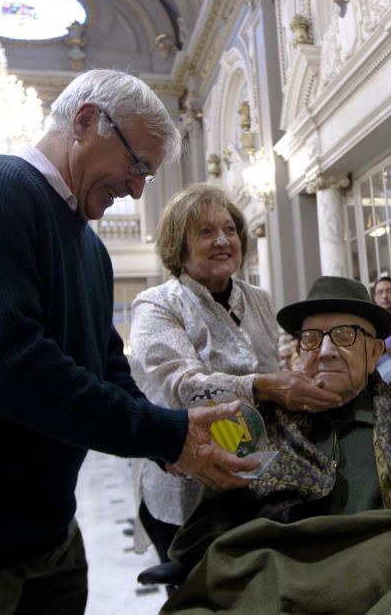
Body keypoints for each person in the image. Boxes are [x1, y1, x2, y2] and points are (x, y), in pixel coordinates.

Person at [0, 69, 256, 615]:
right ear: (86, 121)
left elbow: (107, 365)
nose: (136, 189)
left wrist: (168, 443)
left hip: (45, 532)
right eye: (136, 165)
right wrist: (166, 431)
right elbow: (10, 368)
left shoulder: (90, 249)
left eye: (147, 177)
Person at [163, 276, 391, 614]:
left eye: (345, 336)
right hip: (270, 591)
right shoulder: (257, 424)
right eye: (312, 338)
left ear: (375, 350)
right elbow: (209, 530)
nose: (326, 350)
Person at [129, 183, 337, 562]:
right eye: (205, 232)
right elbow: (180, 387)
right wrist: (265, 386)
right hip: (190, 482)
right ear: (179, 245)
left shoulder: (257, 297)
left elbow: (272, 368)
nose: (223, 240)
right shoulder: (157, 305)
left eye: (229, 229)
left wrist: (296, 374)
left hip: (259, 475)